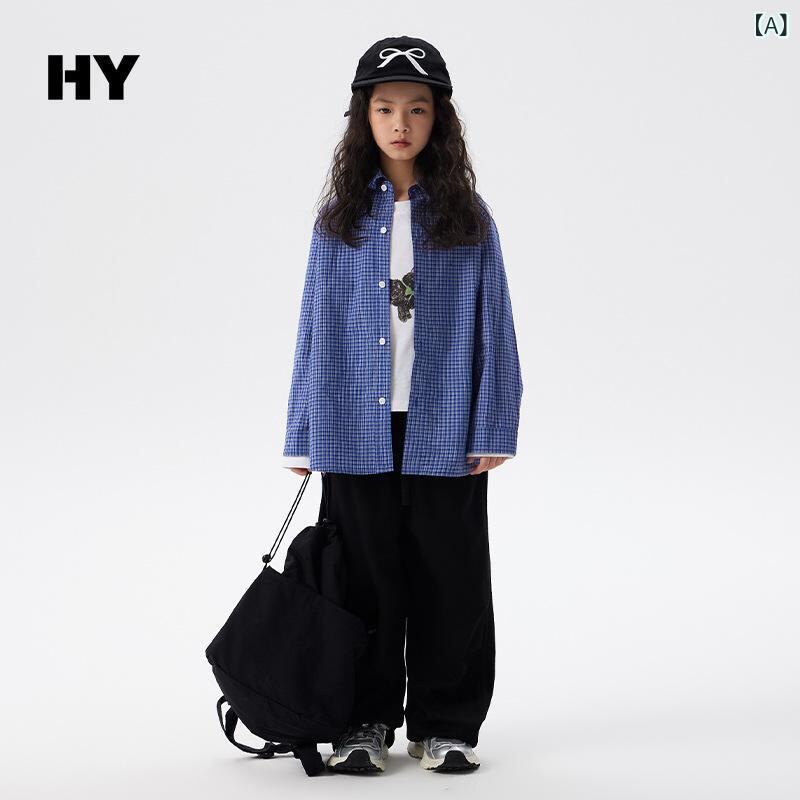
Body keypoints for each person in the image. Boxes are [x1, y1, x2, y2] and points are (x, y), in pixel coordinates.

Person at [281, 35, 523, 774]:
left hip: (446, 424)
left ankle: (446, 724)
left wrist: (494, 423)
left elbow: (496, 322)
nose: (400, 123)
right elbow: (313, 325)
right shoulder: (340, 218)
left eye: (417, 108)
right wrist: (303, 432)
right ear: (364, 117)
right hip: (354, 424)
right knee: (362, 577)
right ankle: (363, 721)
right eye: (385, 108)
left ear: (438, 118)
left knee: (451, 577)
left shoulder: (468, 217)